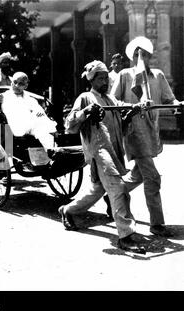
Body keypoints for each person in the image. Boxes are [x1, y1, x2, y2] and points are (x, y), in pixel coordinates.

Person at [59, 60, 145, 254]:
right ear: (92, 80)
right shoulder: (85, 97)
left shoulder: (111, 99)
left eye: (106, 77)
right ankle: (126, 236)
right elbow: (69, 123)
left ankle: (67, 210)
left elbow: (122, 112)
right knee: (118, 189)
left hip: (113, 152)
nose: (105, 80)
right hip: (98, 151)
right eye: (101, 78)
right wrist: (86, 112)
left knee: (97, 191)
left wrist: (134, 110)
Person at [110, 36, 179, 238]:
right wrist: (129, 107)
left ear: (150, 56)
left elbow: (169, 98)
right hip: (133, 132)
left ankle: (116, 193)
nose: (142, 58)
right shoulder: (125, 75)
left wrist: (177, 104)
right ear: (132, 56)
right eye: (138, 54)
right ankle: (157, 223)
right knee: (153, 177)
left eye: (145, 55)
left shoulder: (157, 75)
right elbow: (113, 99)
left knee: (136, 176)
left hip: (151, 131)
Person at [0, 72, 57, 159]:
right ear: (12, 82)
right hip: (14, 126)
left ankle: (51, 152)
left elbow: (39, 111)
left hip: (30, 125)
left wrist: (40, 115)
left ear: (26, 86)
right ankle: (51, 152)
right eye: (14, 82)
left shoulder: (29, 98)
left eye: (21, 84)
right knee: (40, 126)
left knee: (44, 129)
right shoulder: (4, 96)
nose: (16, 85)